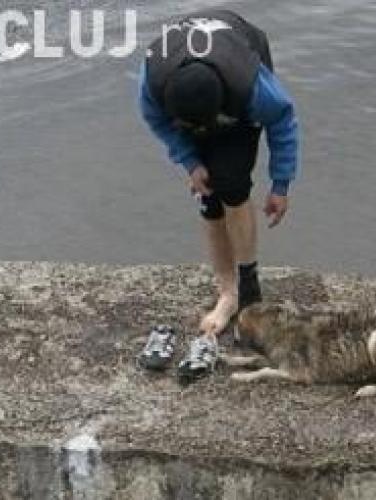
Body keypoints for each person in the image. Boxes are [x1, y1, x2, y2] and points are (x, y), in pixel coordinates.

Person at [137, 9, 299, 379]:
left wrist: (281, 184)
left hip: (234, 71)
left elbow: (283, 120)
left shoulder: (252, 86)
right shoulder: (153, 82)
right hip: (192, 91)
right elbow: (157, 121)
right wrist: (190, 161)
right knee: (208, 194)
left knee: (232, 183)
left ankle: (249, 288)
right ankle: (227, 294)